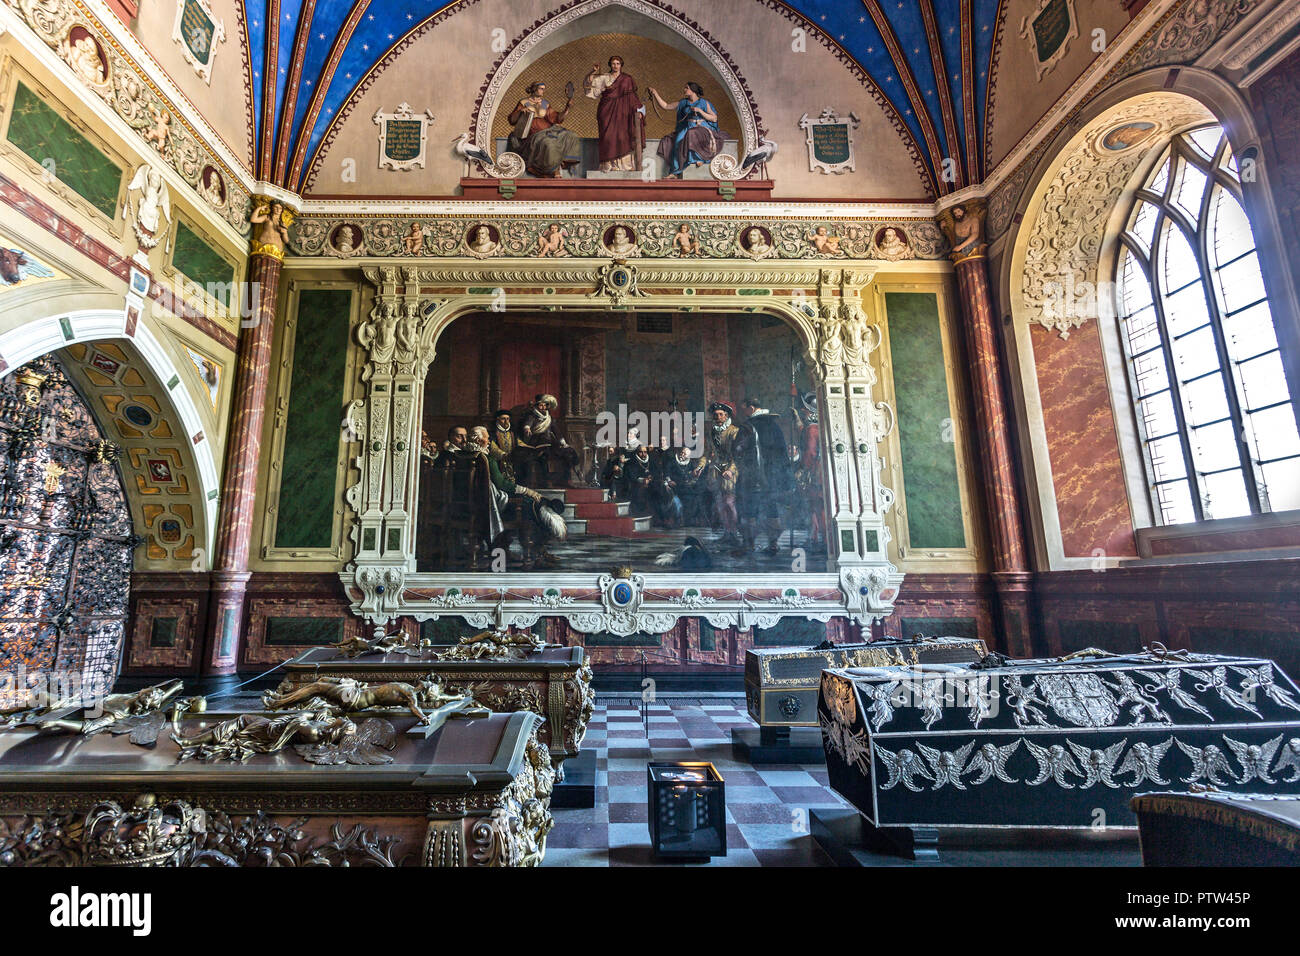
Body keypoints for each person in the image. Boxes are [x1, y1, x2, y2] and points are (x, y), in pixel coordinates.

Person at [737, 397, 796, 553]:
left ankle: (750, 543)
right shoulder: (774, 426)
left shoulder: (748, 427)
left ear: (751, 408)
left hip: (754, 475)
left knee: (750, 507)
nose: (743, 412)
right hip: (772, 476)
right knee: (770, 507)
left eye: (744, 409)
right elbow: (782, 453)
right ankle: (773, 543)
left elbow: (738, 450)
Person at [648, 82, 729, 178]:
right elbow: (666, 106)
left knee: (691, 135)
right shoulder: (683, 102)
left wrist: (700, 111)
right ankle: (675, 172)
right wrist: (655, 93)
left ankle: (700, 159)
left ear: (693, 90)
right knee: (678, 142)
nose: (684, 89)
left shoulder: (704, 103)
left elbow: (714, 118)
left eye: (686, 88)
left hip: (702, 127)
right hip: (687, 126)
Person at [507, 81, 581, 178]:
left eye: (543, 89)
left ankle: (562, 162)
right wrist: (520, 111)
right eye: (541, 88)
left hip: (549, 130)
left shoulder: (545, 103)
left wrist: (567, 108)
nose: (543, 91)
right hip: (533, 134)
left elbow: (557, 118)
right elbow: (512, 120)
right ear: (534, 89)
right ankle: (553, 170)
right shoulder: (524, 102)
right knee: (548, 143)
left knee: (571, 135)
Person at [584, 56, 645, 172]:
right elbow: (590, 85)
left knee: (623, 137)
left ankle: (624, 166)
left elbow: (633, 97)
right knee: (607, 137)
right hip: (606, 111)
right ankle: (608, 165)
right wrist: (593, 72)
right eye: (613, 63)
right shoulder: (604, 77)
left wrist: (639, 111)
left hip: (623, 113)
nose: (615, 66)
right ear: (610, 65)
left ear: (621, 65)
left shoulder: (627, 79)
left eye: (617, 63)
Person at [702, 402, 743, 546]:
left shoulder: (734, 431)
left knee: (729, 503)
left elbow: (738, 455)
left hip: (730, 472)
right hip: (715, 472)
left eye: (721, 414)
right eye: (715, 415)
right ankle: (727, 533)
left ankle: (734, 533)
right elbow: (706, 453)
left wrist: (731, 470)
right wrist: (700, 467)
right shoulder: (712, 432)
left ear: (726, 416)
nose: (718, 417)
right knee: (719, 505)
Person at [517, 393, 578, 487]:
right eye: (541, 405)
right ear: (537, 406)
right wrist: (527, 428)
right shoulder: (532, 416)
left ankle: (566, 480)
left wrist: (563, 442)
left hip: (550, 442)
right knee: (544, 456)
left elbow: (556, 431)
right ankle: (546, 481)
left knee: (568, 452)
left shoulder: (549, 418)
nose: (543, 407)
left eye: (544, 405)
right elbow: (528, 423)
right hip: (536, 442)